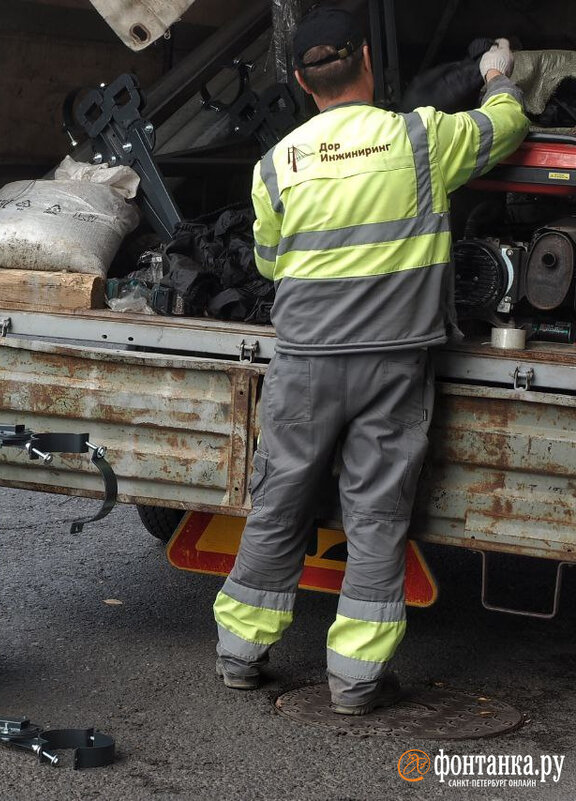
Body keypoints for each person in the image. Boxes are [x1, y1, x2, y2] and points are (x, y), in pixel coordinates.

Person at [211, 5, 528, 715]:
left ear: (299, 79)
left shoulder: (275, 165)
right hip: (394, 366)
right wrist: (496, 73)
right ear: (367, 60)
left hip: (305, 365)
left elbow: (269, 260)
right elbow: (508, 124)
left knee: (279, 501)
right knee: (378, 515)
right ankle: (355, 681)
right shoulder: (420, 138)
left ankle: (240, 653)